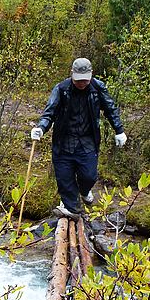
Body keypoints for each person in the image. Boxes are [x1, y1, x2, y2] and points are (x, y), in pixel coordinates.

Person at [31, 57, 127, 219]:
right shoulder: (61, 89)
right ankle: (72, 208)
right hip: (64, 142)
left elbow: (110, 109)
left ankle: (83, 192)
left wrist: (119, 130)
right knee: (64, 177)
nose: (82, 83)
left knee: (89, 176)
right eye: (78, 80)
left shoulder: (97, 88)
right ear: (72, 75)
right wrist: (41, 128)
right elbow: (50, 112)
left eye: (85, 80)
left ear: (91, 76)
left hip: (87, 141)